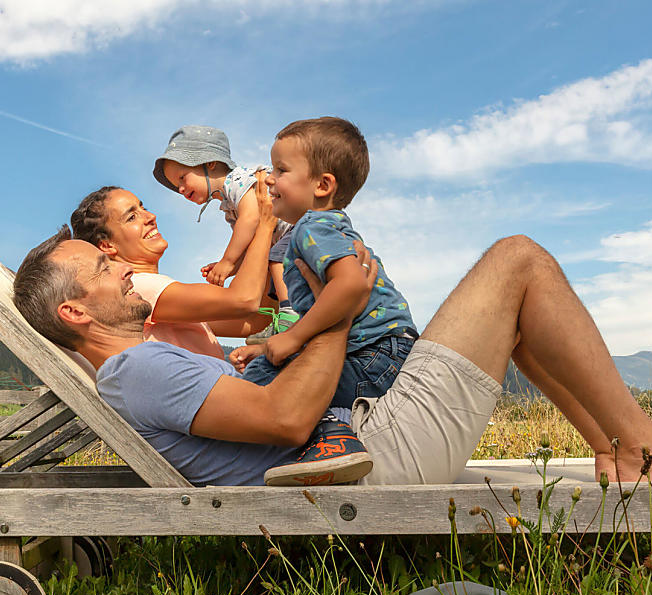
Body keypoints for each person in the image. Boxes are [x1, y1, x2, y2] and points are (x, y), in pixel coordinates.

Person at [13, 196, 652, 486]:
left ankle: (620, 450)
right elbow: (285, 418)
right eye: (106, 267)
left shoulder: (141, 365)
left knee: (511, 304)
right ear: (75, 310)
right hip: (381, 451)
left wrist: (297, 323)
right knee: (517, 259)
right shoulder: (138, 369)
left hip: (363, 438)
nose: (125, 266)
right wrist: (336, 308)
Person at [232, 117, 418, 410]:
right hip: (384, 353)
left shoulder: (312, 226)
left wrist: (293, 337)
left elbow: (351, 284)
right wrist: (277, 348)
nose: (269, 178)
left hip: (373, 357)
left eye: (281, 170)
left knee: (261, 380)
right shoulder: (327, 226)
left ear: (322, 184)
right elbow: (330, 313)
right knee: (270, 368)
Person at [70, 181, 277, 359]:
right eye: (131, 217)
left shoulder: (159, 298)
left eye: (143, 208)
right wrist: (265, 226)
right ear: (107, 246)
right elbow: (243, 301)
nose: (150, 216)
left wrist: (273, 247)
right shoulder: (136, 288)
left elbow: (255, 320)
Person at [153, 125, 298, 344]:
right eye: (176, 186)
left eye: (182, 178)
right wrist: (230, 267)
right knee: (261, 264)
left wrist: (227, 261)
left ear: (210, 163)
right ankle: (275, 319)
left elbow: (251, 219)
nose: (181, 189)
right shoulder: (229, 206)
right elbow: (251, 244)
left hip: (296, 228)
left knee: (275, 259)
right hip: (281, 239)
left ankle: (289, 314)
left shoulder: (237, 182)